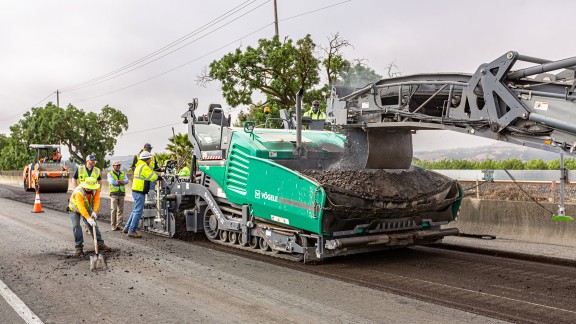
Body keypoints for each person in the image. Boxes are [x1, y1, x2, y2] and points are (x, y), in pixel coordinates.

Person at [68, 177, 111, 256]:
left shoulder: (96, 189)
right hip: (74, 209)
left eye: (91, 188)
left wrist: (95, 211)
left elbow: (97, 200)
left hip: (87, 208)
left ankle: (100, 244)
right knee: (76, 226)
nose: (89, 190)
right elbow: (81, 207)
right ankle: (79, 247)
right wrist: (88, 218)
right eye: (88, 188)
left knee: (93, 225)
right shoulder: (79, 192)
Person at [124, 151, 159, 238]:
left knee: (135, 210)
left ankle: (127, 228)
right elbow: (153, 177)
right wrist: (160, 177)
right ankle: (132, 231)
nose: (151, 160)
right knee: (138, 212)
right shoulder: (144, 167)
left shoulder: (139, 166)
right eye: (150, 158)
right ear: (147, 159)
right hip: (139, 192)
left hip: (135, 191)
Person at [107, 161, 129, 231]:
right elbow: (112, 182)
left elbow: (126, 181)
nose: (118, 166)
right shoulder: (110, 174)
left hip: (122, 194)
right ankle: (113, 225)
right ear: (113, 166)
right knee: (114, 210)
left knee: (121, 210)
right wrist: (121, 182)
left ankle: (119, 225)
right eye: (116, 165)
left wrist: (118, 181)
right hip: (114, 194)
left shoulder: (123, 173)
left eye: (119, 165)